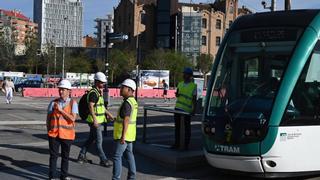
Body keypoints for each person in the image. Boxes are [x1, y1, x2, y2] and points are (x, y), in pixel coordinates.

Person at [77, 72, 114, 167]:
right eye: (102, 82)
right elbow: (90, 106)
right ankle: (103, 160)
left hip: (97, 120)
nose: (103, 84)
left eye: (103, 82)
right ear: (96, 82)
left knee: (91, 139)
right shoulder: (94, 93)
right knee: (99, 142)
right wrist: (95, 120)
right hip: (94, 121)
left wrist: (109, 114)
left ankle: (81, 156)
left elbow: (101, 107)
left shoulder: (98, 93)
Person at [47, 79, 78, 180]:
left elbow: (73, 118)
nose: (61, 91)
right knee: (53, 156)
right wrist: (49, 130)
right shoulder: (53, 103)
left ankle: (64, 176)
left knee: (65, 157)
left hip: (67, 135)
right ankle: (52, 177)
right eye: (60, 89)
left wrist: (61, 110)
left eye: (63, 89)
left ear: (69, 91)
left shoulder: (73, 103)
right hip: (54, 135)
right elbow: (48, 119)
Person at [112, 79, 138, 180]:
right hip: (130, 135)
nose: (121, 89)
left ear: (130, 89)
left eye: (123, 88)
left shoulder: (127, 103)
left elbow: (126, 120)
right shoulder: (133, 102)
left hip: (123, 135)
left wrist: (123, 136)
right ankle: (132, 177)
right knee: (129, 156)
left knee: (117, 156)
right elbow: (126, 118)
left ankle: (116, 178)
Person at [172, 67, 197, 150]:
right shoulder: (180, 83)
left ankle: (186, 144)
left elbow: (194, 98)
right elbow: (178, 95)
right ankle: (177, 143)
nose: (183, 75)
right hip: (178, 108)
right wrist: (177, 94)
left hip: (186, 110)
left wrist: (194, 110)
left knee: (187, 128)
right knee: (177, 127)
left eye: (185, 74)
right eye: (183, 73)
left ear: (189, 75)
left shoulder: (193, 86)